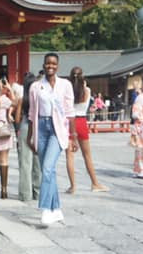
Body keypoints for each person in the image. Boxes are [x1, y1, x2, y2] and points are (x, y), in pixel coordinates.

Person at [28, 52, 74, 225]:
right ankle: (57, 209)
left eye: (54, 64)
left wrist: (73, 136)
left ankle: (46, 208)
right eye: (48, 63)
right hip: (41, 127)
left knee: (47, 168)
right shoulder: (36, 87)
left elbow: (70, 112)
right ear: (44, 64)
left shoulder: (65, 85)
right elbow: (32, 113)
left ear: (58, 66)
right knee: (49, 170)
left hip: (57, 129)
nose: (50, 66)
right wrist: (30, 136)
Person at [65, 67, 110, 193]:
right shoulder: (87, 90)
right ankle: (95, 183)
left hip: (69, 122)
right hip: (82, 121)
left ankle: (73, 186)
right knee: (87, 155)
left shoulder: (68, 90)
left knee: (69, 156)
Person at [15, 71, 41, 201]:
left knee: (25, 162)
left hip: (25, 126)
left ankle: (25, 194)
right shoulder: (38, 98)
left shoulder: (22, 99)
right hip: (38, 126)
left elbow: (17, 118)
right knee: (38, 162)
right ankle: (38, 192)